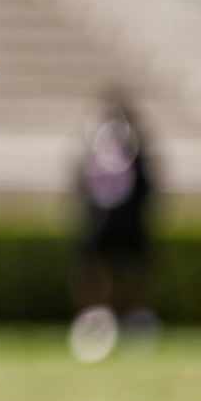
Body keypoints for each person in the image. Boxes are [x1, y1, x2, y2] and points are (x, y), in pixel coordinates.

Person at [71, 87, 159, 330]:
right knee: (96, 272)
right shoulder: (96, 143)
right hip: (103, 223)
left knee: (134, 271)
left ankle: (137, 317)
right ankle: (95, 318)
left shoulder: (135, 147)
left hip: (129, 222)